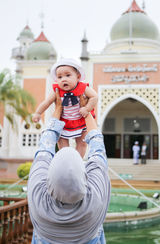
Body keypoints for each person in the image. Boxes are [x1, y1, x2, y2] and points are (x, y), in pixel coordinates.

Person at [28, 88, 111, 244]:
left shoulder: (38, 196)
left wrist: (58, 108)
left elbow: (44, 149)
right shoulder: (95, 200)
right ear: (84, 175)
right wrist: (87, 112)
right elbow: (98, 151)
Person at [32, 58, 98, 158]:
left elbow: (94, 97)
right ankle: (65, 159)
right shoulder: (57, 91)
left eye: (68, 75)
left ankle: (77, 160)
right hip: (64, 121)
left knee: (82, 143)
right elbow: (47, 102)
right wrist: (38, 113)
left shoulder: (83, 87)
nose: (63, 79)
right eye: (60, 77)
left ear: (78, 77)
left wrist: (87, 108)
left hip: (80, 120)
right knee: (61, 141)